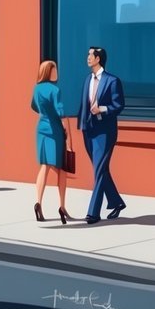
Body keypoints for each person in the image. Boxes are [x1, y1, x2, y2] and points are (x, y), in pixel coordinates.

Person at [78, 46, 125, 224]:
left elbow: (119, 105)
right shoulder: (87, 80)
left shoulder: (112, 81)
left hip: (105, 131)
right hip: (88, 130)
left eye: (90, 55)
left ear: (98, 58)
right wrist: (81, 125)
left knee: (98, 170)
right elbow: (83, 104)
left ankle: (93, 213)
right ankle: (116, 202)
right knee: (101, 169)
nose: (88, 58)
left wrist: (102, 109)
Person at [31, 59, 71, 224]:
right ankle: (62, 206)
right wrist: (67, 135)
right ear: (49, 71)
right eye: (55, 70)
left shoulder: (37, 88)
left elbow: (34, 106)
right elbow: (61, 113)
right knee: (62, 168)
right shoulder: (55, 90)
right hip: (55, 130)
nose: (57, 72)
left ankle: (38, 202)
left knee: (44, 166)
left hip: (41, 128)